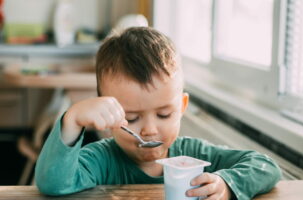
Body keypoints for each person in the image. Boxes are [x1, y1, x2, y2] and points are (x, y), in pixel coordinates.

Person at [35, 27, 281, 200]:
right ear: (107, 115)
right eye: (131, 118)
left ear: (182, 107)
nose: (150, 130)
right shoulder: (102, 160)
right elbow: (52, 184)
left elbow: (265, 166)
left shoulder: (195, 155)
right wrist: (72, 120)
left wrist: (227, 183)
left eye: (164, 115)